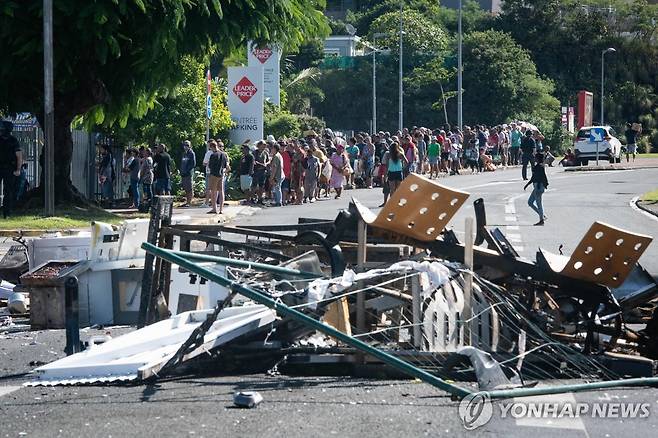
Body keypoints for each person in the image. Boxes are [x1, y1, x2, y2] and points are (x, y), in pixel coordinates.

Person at [0, 121, 23, 218]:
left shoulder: (13, 141)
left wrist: (18, 169)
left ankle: (7, 213)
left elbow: (19, 156)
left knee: (8, 191)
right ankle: (7, 214)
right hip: (8, 168)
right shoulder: (14, 140)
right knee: (8, 191)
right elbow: (19, 156)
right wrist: (18, 169)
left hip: (9, 168)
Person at [524, 153, 549, 226]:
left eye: (535, 158)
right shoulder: (538, 166)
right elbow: (534, 177)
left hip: (539, 187)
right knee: (530, 202)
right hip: (537, 187)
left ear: (538, 159)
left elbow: (540, 178)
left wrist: (538, 187)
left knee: (539, 204)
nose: (534, 158)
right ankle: (542, 216)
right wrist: (527, 184)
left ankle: (541, 220)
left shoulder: (540, 167)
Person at [207, 140, 228, 214]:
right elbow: (225, 165)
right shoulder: (223, 154)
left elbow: (210, 166)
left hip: (214, 174)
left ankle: (214, 209)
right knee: (221, 191)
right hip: (221, 174)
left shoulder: (213, 155)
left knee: (213, 191)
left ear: (212, 147)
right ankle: (221, 209)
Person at [180, 140, 196, 207]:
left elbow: (193, 164)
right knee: (186, 188)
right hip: (183, 173)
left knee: (189, 188)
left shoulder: (191, 153)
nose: (186, 146)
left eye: (187, 145)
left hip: (188, 173)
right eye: (185, 145)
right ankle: (187, 201)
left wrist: (187, 170)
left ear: (190, 146)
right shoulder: (184, 153)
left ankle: (189, 202)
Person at [269, 142, 285, 206]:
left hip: (277, 175)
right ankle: (277, 201)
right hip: (281, 174)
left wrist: (272, 177)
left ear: (275, 149)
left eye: (272, 148)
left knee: (277, 188)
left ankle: (278, 202)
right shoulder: (279, 155)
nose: (271, 149)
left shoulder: (276, 156)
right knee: (276, 188)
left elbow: (274, 168)